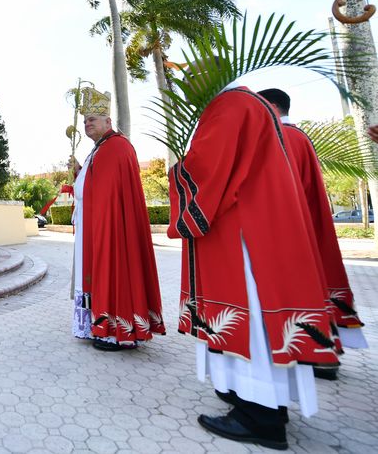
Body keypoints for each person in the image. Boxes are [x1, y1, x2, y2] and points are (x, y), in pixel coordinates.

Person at [169, 80, 339, 450]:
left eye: (188, 82)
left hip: (242, 237)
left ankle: (258, 416)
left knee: (253, 323)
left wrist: (178, 172)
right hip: (258, 230)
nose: (184, 89)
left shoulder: (230, 105)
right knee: (261, 321)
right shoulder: (251, 104)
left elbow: (209, 171)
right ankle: (266, 405)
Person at [258, 88, 367, 379]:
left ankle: (318, 354)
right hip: (305, 226)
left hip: (288, 231)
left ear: (271, 106)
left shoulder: (281, 137)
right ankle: (325, 353)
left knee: (301, 291)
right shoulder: (297, 137)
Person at [69, 87, 165, 351]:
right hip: (96, 226)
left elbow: (109, 195)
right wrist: (79, 172)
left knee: (114, 271)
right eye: (86, 120)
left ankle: (115, 331)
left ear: (108, 122)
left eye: (93, 120)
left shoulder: (117, 147)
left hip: (112, 229)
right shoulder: (100, 149)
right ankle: (99, 326)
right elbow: (95, 186)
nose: (88, 124)